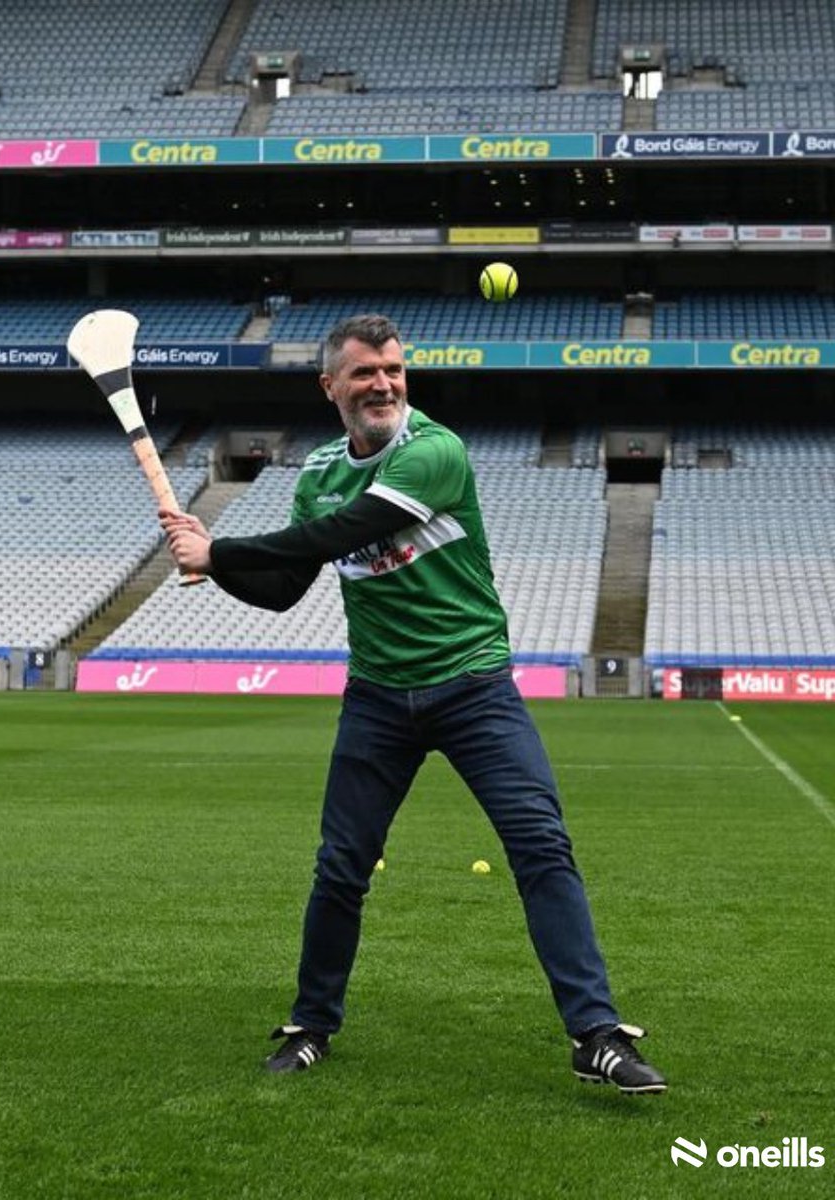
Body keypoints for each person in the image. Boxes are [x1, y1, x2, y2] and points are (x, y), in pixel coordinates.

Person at [161, 313, 666, 1095]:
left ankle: (595, 1033)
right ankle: (311, 1024)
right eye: (364, 372)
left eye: (393, 369)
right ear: (330, 386)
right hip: (377, 698)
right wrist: (210, 563)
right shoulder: (318, 472)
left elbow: (350, 530)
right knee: (342, 866)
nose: (383, 384)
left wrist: (219, 549)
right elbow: (286, 588)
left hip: (473, 687)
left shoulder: (434, 451)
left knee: (541, 845)